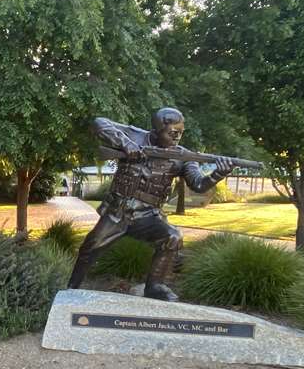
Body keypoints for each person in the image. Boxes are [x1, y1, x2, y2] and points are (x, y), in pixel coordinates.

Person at [67, 107, 235, 301]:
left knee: (172, 237)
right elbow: (99, 122)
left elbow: (198, 184)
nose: (177, 137)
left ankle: (155, 287)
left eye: (180, 132)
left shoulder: (184, 156)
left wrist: (218, 173)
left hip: (148, 216)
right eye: (173, 133)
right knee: (91, 247)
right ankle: (71, 290)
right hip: (119, 212)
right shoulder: (135, 136)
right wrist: (126, 144)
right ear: (156, 131)